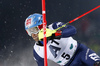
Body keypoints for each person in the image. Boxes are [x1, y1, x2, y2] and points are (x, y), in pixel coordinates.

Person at [25, 13, 100, 66]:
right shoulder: (37, 51)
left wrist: (54, 34)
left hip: (80, 52)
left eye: (33, 29)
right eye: (29, 32)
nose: (33, 34)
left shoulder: (54, 27)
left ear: (41, 26)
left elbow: (73, 30)